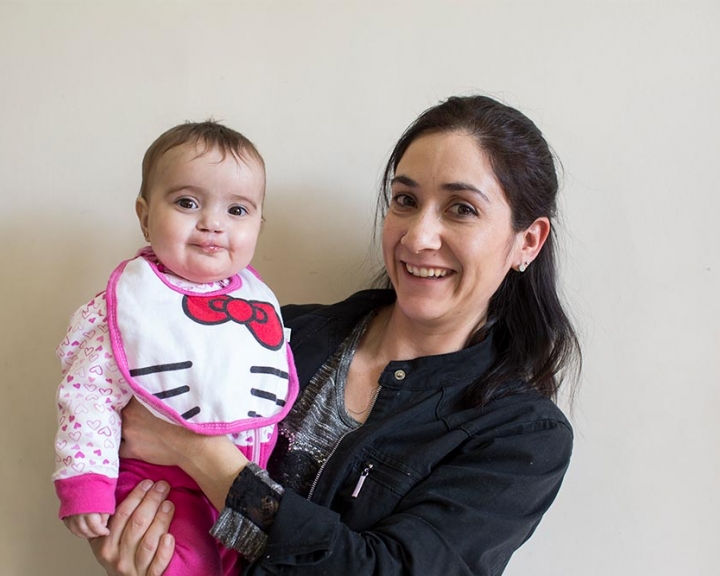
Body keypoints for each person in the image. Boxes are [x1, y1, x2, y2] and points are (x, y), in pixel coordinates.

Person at [90, 94, 581, 576]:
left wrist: (196, 451)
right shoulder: (278, 333)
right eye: (406, 200)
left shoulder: (520, 436)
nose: (416, 237)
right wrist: (136, 546)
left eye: (461, 209)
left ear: (527, 242)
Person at [53, 121, 299, 575]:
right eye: (187, 202)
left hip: (238, 486)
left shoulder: (254, 303)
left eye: (238, 210)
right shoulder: (133, 307)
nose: (213, 223)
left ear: (259, 225)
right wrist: (86, 482)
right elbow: (87, 395)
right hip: (158, 486)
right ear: (145, 216)